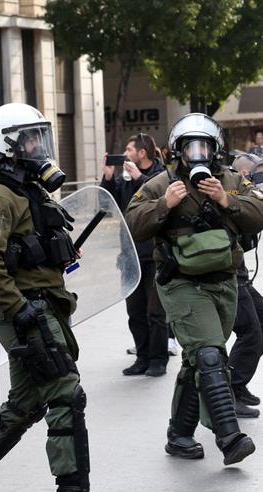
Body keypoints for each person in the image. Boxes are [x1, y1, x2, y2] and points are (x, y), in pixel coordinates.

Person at [0, 103, 123, 492]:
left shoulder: (29, 189)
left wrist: (58, 253)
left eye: (38, 136)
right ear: (7, 145)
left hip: (45, 305)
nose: (38, 145)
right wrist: (20, 311)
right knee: (67, 391)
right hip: (26, 310)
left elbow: (31, 249)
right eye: (29, 138)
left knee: (28, 402)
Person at [126, 113, 263, 463]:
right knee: (209, 354)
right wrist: (165, 205)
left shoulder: (231, 180)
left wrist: (227, 200)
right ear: (177, 150)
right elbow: (133, 222)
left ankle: (178, 434)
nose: (196, 152)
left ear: (215, 148)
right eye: (189, 146)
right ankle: (229, 437)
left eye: (203, 145)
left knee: (197, 360)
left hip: (224, 283)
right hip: (181, 284)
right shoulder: (162, 183)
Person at [101, 133, 168, 377]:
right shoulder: (125, 179)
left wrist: (141, 178)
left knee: (155, 312)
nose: (126, 154)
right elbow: (108, 207)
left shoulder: (161, 175)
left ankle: (159, 359)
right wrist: (108, 178)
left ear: (142, 153)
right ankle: (142, 356)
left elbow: (162, 200)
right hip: (130, 255)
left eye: (130, 149)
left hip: (155, 254)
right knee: (135, 311)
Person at [227, 152, 263, 418]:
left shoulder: (243, 197)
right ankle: (229, 389)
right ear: (244, 174)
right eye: (257, 173)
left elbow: (249, 240)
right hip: (226, 275)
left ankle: (236, 381)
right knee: (251, 332)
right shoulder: (229, 194)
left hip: (240, 274)